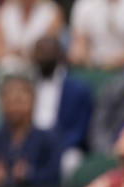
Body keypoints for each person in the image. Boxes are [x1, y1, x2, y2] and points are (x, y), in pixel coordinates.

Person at [0, 74, 62, 187]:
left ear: (33, 102)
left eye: (20, 101)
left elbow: (54, 178)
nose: (15, 107)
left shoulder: (48, 139)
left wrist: (29, 175)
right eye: (9, 101)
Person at [32, 36, 94, 173]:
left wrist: (55, 147)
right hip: (31, 143)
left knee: (70, 162)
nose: (43, 57)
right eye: (40, 52)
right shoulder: (27, 85)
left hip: (64, 146)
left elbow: (80, 130)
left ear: (60, 55)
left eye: (48, 52)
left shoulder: (78, 89)